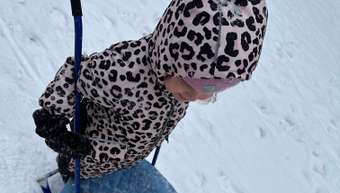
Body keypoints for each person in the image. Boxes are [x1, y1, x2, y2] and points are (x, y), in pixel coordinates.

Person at [32, 0, 268, 180]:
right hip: (89, 150)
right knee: (77, 171)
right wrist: (51, 119)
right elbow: (75, 75)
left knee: (112, 168)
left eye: (209, 91)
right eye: (189, 86)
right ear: (171, 56)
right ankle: (67, 171)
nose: (193, 97)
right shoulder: (126, 72)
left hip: (128, 154)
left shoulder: (181, 80)